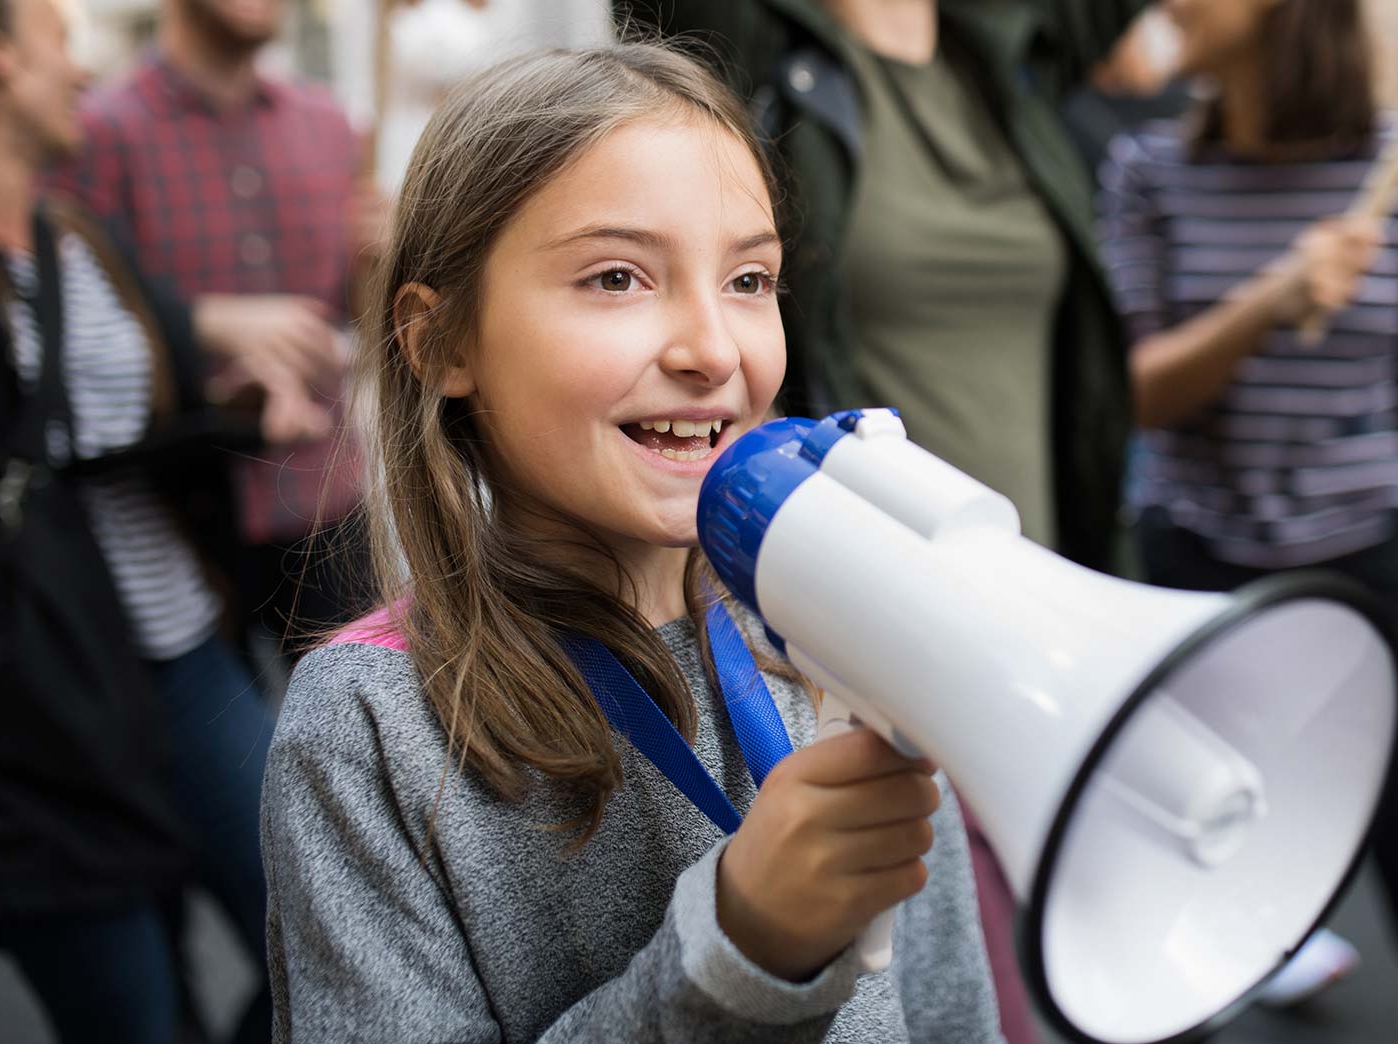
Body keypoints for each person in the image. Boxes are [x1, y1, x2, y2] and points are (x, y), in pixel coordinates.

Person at [260, 44, 1003, 1043]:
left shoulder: (856, 624)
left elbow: (950, 1013)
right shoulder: (367, 729)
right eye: (617, 277)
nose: (711, 348)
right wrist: (739, 949)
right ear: (440, 342)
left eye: (750, 278)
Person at [610, 5, 1152, 1039]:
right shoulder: (762, 45)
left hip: (1054, 598)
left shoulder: (1011, 49)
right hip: (871, 602)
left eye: (751, 282)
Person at [1098, 1, 1398, 1037]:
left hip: (1368, 580)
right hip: (1193, 582)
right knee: (1164, 930)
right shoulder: (1147, 169)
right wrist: (1269, 301)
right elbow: (1132, 394)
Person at [0, 0, 293, 1040]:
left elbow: (137, 409)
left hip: (185, 660)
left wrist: (242, 404)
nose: (81, 72)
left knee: (322, 933)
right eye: (59, 41)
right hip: (40, 707)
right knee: (136, 1012)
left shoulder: (70, 236)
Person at [52, 0, 375, 657]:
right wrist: (203, 323)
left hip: (327, 503)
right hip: (178, 519)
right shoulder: (94, 132)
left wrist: (388, 258)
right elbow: (64, 318)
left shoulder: (327, 123)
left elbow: (360, 313)